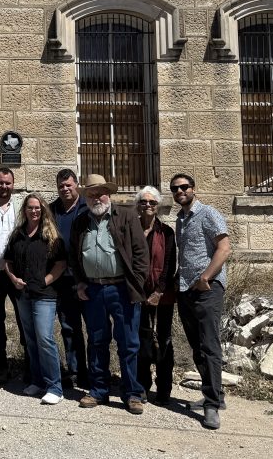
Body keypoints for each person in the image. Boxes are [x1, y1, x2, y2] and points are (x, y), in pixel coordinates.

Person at [70, 174, 149, 415]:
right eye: (91, 194)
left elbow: (141, 254)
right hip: (93, 290)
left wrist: (136, 284)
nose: (96, 198)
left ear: (108, 194)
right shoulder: (80, 221)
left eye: (100, 193)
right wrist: (80, 283)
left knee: (128, 343)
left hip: (122, 289)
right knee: (97, 341)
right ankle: (98, 390)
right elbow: (74, 255)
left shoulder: (125, 216)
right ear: (86, 197)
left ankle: (132, 393)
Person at [171, 172, 231, 430]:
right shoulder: (180, 220)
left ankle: (212, 405)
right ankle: (215, 395)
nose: (180, 191)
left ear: (193, 189)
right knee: (197, 346)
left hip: (207, 289)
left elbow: (224, 248)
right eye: (175, 189)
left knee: (209, 346)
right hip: (186, 289)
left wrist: (206, 277)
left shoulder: (208, 214)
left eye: (184, 187)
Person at [3, 193, 67, 405]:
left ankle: (55, 387)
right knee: (30, 339)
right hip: (23, 294)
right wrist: (13, 278)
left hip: (44, 295)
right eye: (30, 207)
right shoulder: (18, 234)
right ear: (24, 210)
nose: (34, 211)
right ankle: (38, 381)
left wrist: (45, 281)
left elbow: (60, 264)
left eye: (37, 207)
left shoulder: (51, 235)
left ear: (43, 210)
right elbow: (8, 261)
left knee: (44, 338)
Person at [48, 168, 89, 389]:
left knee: (95, 329)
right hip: (63, 279)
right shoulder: (51, 210)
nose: (65, 189)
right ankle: (76, 372)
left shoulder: (88, 207)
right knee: (69, 327)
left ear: (77, 185)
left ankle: (96, 373)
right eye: (61, 186)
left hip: (87, 278)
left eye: (68, 185)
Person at [135, 185, 176, 405]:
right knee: (142, 341)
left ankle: (164, 388)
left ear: (158, 206)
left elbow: (169, 264)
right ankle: (142, 385)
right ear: (138, 205)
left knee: (163, 339)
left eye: (152, 202)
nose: (148, 205)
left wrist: (159, 291)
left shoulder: (166, 232)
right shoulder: (131, 229)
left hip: (163, 295)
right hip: (138, 295)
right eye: (143, 202)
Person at [0, 167, 26, 381]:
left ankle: (31, 364)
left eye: (7, 183)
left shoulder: (20, 206)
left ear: (13, 184)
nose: (4, 186)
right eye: (0, 182)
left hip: (17, 272)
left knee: (24, 318)